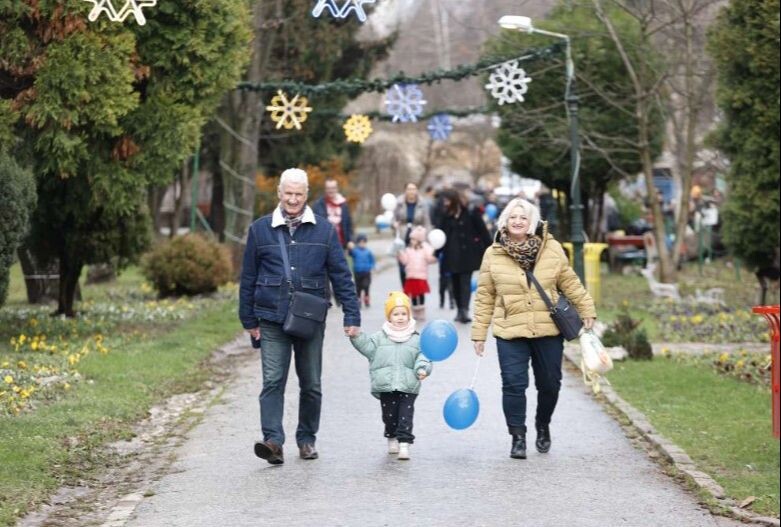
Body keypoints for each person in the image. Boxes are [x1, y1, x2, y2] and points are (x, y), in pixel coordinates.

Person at [239, 168, 361, 465]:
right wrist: (248, 321)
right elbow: (248, 278)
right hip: (271, 317)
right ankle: (273, 442)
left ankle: (306, 439)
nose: (293, 199)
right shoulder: (260, 229)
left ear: (306, 195)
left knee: (312, 383)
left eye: (298, 194)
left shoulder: (323, 230)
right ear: (279, 193)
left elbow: (341, 274)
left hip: (309, 319)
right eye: (288, 193)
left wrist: (351, 314)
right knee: (273, 381)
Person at [471, 198, 596, 460]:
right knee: (513, 385)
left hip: (548, 329)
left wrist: (587, 308)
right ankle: (518, 437)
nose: (517, 221)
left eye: (523, 217)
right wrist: (479, 333)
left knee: (550, 384)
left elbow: (569, 282)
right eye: (513, 217)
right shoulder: (493, 253)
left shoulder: (551, 249)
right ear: (505, 220)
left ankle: (543, 423)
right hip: (510, 331)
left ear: (532, 222)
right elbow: (485, 295)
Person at [349, 291, 432, 460]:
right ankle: (391, 436)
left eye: (403, 314)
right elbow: (367, 347)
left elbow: (424, 355)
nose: (400, 317)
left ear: (409, 315)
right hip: (386, 384)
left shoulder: (416, 339)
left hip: (409, 384)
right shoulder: (379, 338)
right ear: (389, 316)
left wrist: (422, 369)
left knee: (405, 415)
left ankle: (404, 443)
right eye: (396, 314)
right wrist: (356, 336)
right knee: (389, 416)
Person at [437, 188, 492, 324]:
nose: (445, 203)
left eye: (447, 200)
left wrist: (491, 249)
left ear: (454, 200)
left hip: (467, 254)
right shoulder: (445, 215)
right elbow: (440, 235)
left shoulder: (471, 212)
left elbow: (483, 232)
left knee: (465, 282)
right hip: (451, 255)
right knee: (454, 283)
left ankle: (465, 311)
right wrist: (436, 252)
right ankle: (459, 309)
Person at [393, 182, 432, 285]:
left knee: (416, 268)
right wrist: (394, 224)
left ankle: (415, 295)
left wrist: (426, 240)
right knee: (402, 267)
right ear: (405, 190)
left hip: (417, 239)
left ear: (417, 190)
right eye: (409, 189)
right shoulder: (399, 203)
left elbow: (427, 222)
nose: (411, 191)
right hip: (402, 237)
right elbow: (393, 219)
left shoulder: (422, 204)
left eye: (413, 189)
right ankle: (405, 292)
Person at [397, 225, 437, 321]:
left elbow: (430, 259)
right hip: (411, 275)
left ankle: (421, 311)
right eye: (411, 239)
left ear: (419, 240)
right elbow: (405, 261)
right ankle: (415, 311)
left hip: (421, 276)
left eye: (414, 239)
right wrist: (399, 254)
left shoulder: (425, 249)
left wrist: (435, 255)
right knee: (413, 294)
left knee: (421, 294)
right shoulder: (408, 250)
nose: (411, 241)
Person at [312, 177, 354, 250]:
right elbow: (314, 226)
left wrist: (350, 240)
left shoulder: (343, 204)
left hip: (341, 244)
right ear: (325, 189)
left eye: (333, 188)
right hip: (324, 244)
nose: (331, 190)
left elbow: (348, 224)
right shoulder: (318, 205)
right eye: (328, 188)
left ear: (337, 189)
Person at [349, 233, 375, 308]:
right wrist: (350, 248)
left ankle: (366, 299)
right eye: (360, 242)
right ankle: (358, 300)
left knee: (366, 286)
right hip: (357, 272)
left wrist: (371, 266)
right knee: (358, 288)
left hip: (366, 272)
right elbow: (350, 254)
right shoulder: (355, 251)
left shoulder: (368, 251)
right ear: (358, 243)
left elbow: (372, 260)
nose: (362, 244)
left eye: (364, 242)